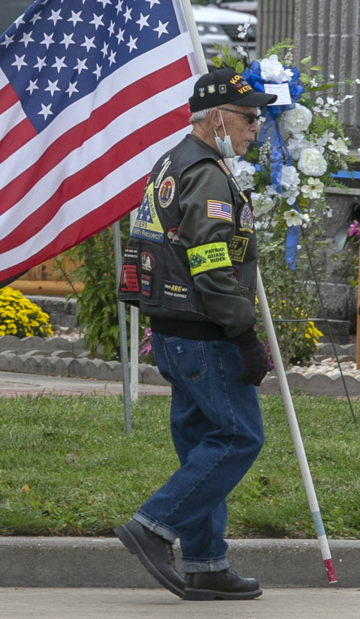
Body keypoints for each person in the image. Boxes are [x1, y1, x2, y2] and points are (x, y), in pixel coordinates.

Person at [114, 67, 276, 601]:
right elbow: (211, 263)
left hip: (172, 332)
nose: (256, 127)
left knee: (201, 446)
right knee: (237, 438)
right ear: (216, 118)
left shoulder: (172, 162)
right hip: (205, 335)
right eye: (249, 117)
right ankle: (153, 526)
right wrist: (244, 334)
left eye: (259, 118)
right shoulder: (205, 173)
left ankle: (206, 564)